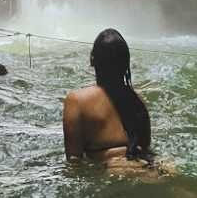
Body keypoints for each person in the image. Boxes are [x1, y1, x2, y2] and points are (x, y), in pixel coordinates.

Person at [62, 28, 152, 166]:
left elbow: (74, 162)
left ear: (92, 60)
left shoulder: (76, 101)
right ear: (126, 63)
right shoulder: (137, 101)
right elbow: (146, 149)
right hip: (147, 166)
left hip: (116, 172)